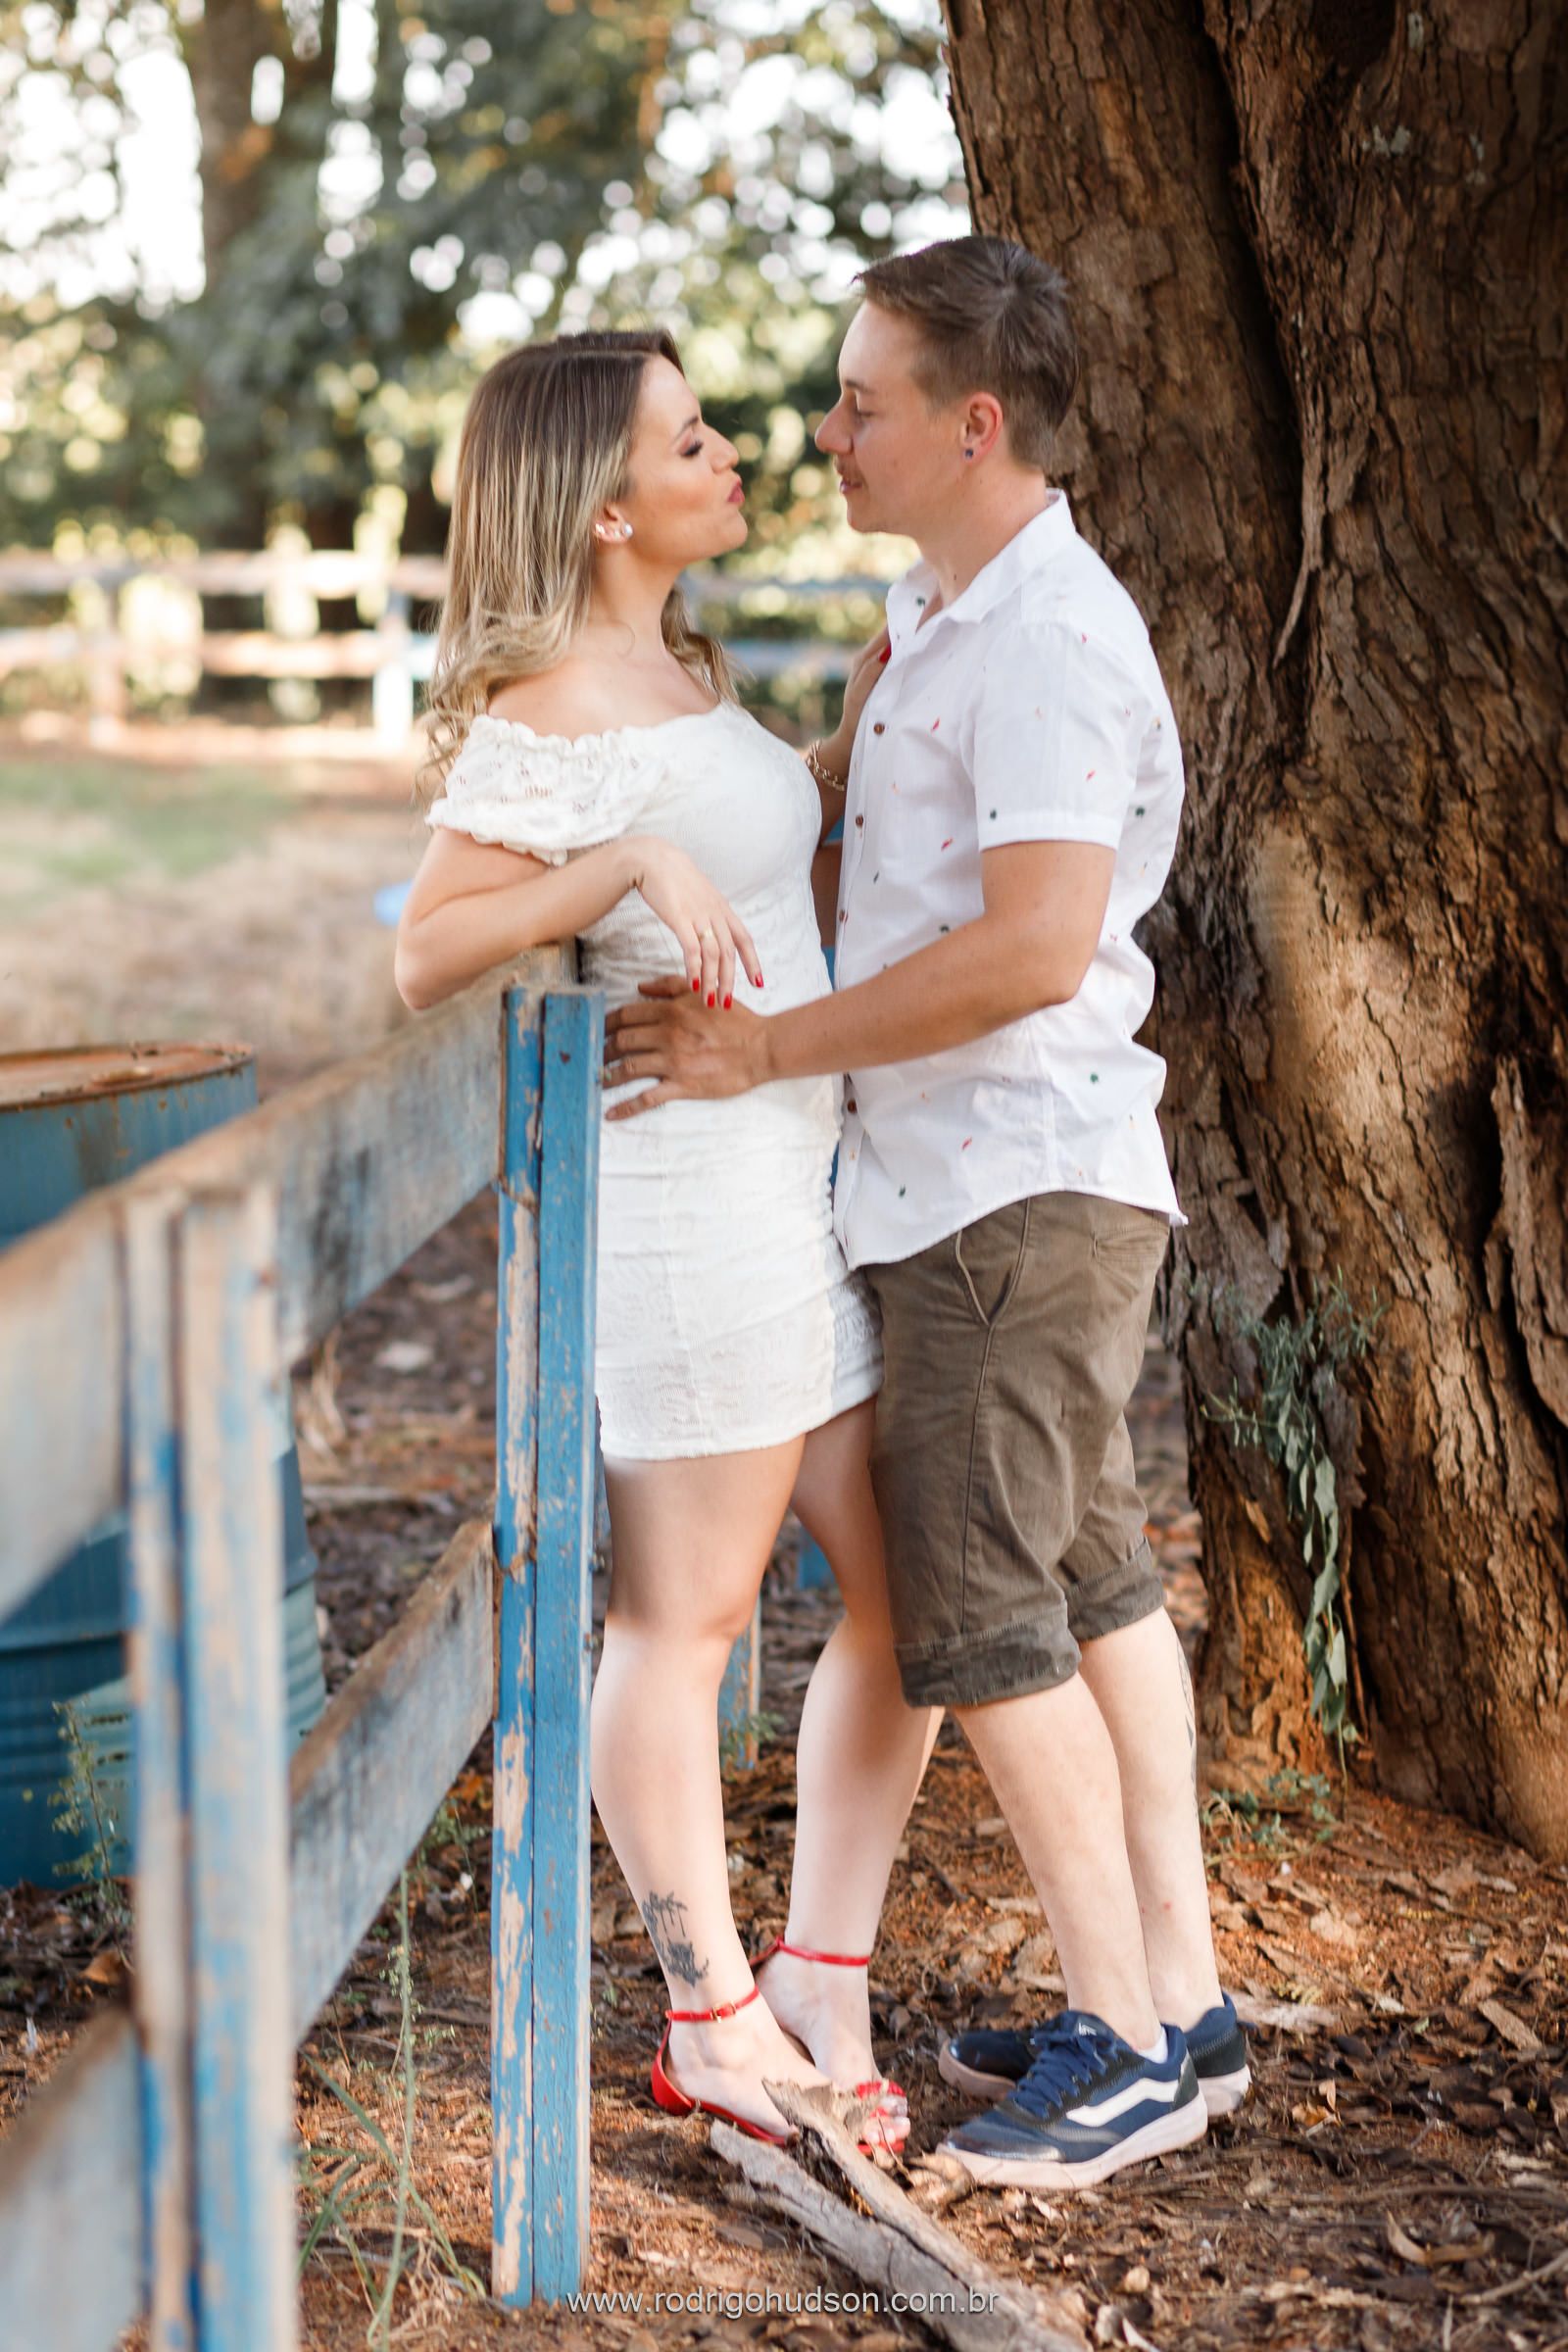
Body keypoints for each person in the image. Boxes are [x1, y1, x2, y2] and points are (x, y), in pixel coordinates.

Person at [602, 237, 1249, 2189]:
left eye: (858, 398)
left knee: (980, 1614)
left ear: (972, 424)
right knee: (1087, 1588)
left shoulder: (1044, 636)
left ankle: (1126, 2050)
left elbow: (1039, 944)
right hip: (975, 1188)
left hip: (1005, 1193)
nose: (823, 429)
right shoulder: (943, 606)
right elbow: (859, 831)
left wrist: (761, 1049)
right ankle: (1179, 2001)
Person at [393, 330, 941, 2149]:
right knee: (685, 1622)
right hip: (689, 1219)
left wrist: (844, 747)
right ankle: (706, 2015)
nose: (730, 451)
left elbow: (747, 845)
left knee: (913, 1599)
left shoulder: (670, 671)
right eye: (688, 437)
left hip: (803, 1182)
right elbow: (426, 947)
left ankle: (820, 1979)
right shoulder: (543, 706)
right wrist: (621, 871)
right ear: (606, 502)